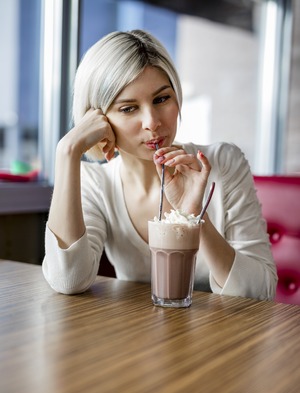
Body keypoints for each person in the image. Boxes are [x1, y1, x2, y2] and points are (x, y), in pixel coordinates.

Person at [42, 29, 277, 300]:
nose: (152, 122)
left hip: (223, 336)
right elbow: (68, 280)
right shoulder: (96, 182)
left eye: (161, 99)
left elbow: (261, 292)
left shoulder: (223, 162)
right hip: (140, 336)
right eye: (128, 108)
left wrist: (194, 216)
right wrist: (67, 152)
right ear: (98, 120)